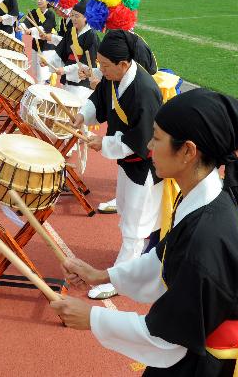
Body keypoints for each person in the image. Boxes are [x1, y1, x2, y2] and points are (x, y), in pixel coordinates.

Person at [52, 88, 238, 375]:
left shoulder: (206, 237)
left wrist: (93, 318)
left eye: (157, 137)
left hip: (201, 363)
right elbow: (164, 258)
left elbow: (168, 337)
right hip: (193, 344)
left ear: (188, 151)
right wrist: (101, 275)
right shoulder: (203, 194)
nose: (149, 146)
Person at [70, 30, 163, 300]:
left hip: (145, 166)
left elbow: (144, 140)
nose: (101, 70)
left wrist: (105, 144)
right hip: (127, 162)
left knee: (136, 222)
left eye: (105, 66)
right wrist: (81, 115)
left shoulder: (145, 91)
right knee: (126, 209)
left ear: (124, 64)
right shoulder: (114, 77)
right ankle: (138, 256)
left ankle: (122, 278)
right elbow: (98, 100)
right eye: (99, 64)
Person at [46, 0, 98, 98]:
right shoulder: (71, 32)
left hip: (82, 81)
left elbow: (87, 63)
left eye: (77, 16)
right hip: (67, 77)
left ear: (86, 18)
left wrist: (64, 70)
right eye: (72, 15)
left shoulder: (91, 35)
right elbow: (60, 52)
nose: (73, 19)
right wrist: (49, 62)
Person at [23, 0, 57, 83]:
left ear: (47, 2)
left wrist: (31, 30)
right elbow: (26, 22)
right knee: (36, 71)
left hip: (47, 47)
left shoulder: (50, 14)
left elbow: (46, 28)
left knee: (42, 73)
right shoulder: (34, 12)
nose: (39, 1)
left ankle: (44, 87)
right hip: (36, 45)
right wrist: (22, 27)